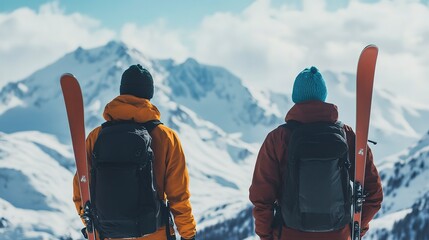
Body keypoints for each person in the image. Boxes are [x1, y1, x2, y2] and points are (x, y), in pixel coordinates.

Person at [249, 66, 383, 240]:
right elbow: (374, 194)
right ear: (323, 96)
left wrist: (267, 236)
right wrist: (355, 229)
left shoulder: (278, 138)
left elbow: (261, 198)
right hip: (339, 235)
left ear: (295, 97)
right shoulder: (347, 136)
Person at [72, 64, 197, 240]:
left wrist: (94, 226)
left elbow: (81, 188)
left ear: (122, 92)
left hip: (109, 234)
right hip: (155, 233)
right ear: (149, 94)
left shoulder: (96, 136)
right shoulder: (166, 137)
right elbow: (179, 196)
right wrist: (188, 234)